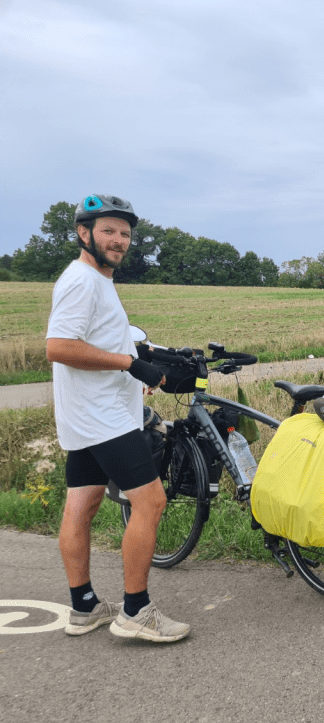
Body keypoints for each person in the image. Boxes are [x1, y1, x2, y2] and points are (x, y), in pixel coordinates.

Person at [46, 194, 191, 643]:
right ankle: (135, 611)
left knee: (82, 506)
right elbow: (59, 347)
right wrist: (129, 365)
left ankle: (84, 606)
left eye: (125, 233)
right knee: (150, 503)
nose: (119, 240)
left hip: (86, 416)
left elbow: (98, 341)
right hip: (103, 419)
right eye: (108, 230)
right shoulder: (82, 281)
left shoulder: (97, 280)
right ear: (83, 232)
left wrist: (139, 361)